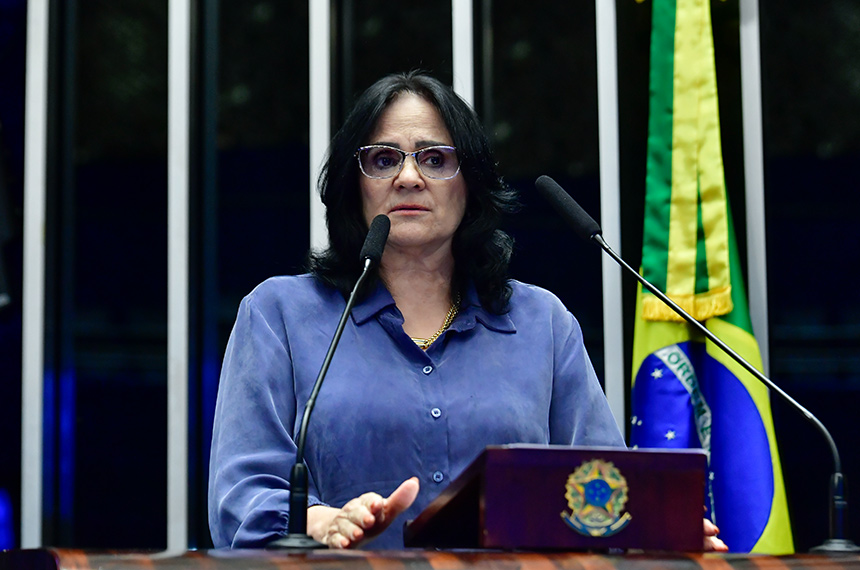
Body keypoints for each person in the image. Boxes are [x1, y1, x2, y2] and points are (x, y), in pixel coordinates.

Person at [208, 71, 725, 551]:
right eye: (384, 159)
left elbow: (601, 483)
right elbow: (241, 495)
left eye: (435, 159)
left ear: (470, 183)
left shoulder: (542, 324)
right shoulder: (279, 314)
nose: (409, 177)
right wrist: (321, 522)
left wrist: (653, 530)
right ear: (354, 182)